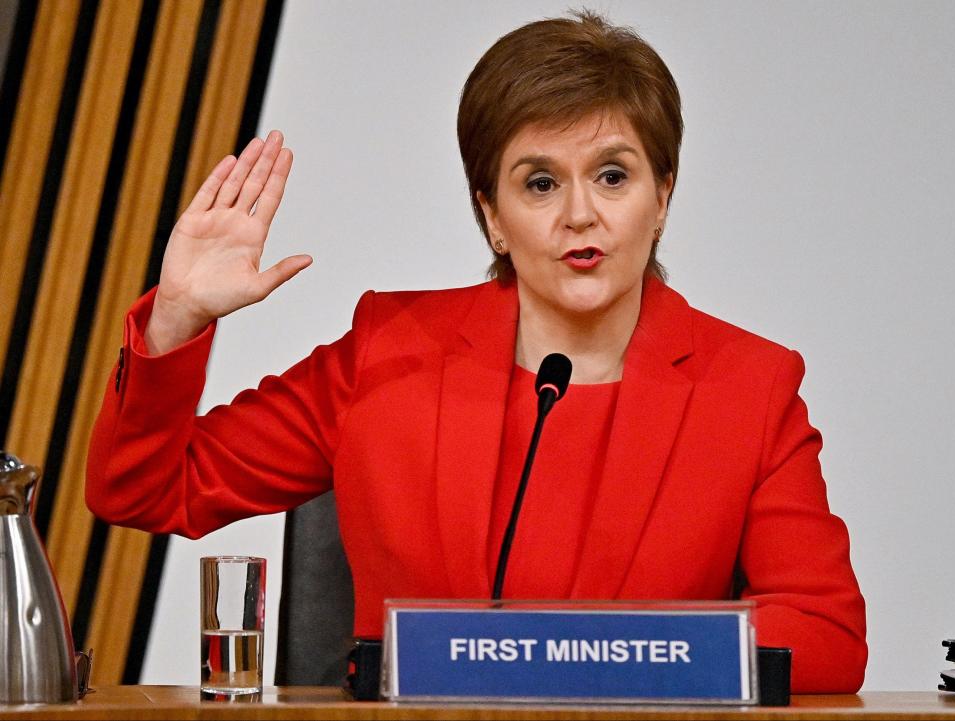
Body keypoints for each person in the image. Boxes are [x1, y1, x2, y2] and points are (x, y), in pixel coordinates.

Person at [85, 11, 867, 693]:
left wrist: (607, 661)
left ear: (661, 197)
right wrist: (176, 323)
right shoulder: (389, 353)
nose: (580, 214)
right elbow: (146, 489)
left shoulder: (751, 388)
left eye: (613, 175)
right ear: (491, 214)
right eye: (538, 184)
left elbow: (827, 634)